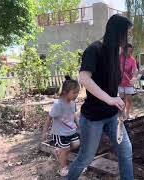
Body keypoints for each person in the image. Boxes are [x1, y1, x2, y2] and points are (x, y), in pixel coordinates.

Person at [67, 14, 134, 180]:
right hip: (93, 117)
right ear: (118, 32)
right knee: (86, 158)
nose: (129, 37)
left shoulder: (116, 53)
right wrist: (110, 99)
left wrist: (118, 103)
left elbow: (110, 86)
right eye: (127, 33)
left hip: (112, 116)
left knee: (126, 151)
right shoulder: (94, 50)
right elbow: (84, 78)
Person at [42, 75, 81, 177]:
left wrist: (78, 124)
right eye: (74, 92)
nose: (76, 95)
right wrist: (45, 131)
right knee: (65, 149)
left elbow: (74, 114)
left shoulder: (73, 103)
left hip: (70, 131)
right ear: (65, 92)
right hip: (59, 133)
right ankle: (62, 168)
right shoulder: (58, 105)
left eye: (77, 92)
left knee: (76, 144)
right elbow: (49, 117)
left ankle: (59, 151)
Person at [119, 43, 138, 120]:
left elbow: (135, 70)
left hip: (128, 83)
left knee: (129, 100)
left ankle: (127, 114)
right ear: (124, 50)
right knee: (122, 99)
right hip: (120, 83)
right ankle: (122, 115)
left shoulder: (132, 60)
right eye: (128, 51)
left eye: (131, 51)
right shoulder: (119, 57)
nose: (129, 53)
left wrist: (134, 78)